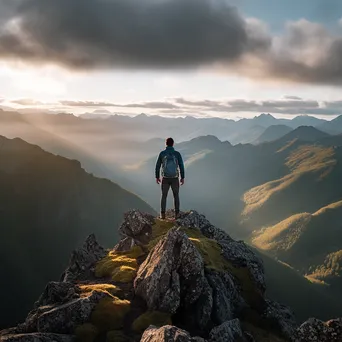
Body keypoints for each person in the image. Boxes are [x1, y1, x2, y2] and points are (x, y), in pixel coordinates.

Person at [155, 137, 185, 219]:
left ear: (166, 143)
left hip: (165, 178)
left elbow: (157, 166)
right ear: (173, 144)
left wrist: (157, 177)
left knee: (164, 196)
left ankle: (163, 214)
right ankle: (177, 214)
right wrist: (182, 177)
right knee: (176, 196)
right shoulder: (177, 154)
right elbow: (181, 166)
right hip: (175, 178)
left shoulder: (162, 154)